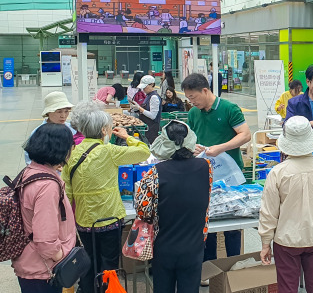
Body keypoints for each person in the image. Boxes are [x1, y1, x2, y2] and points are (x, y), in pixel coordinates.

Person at [63, 101, 150, 293]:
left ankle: (87, 289)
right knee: (109, 264)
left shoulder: (72, 154)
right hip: (110, 218)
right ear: (104, 130)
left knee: (87, 262)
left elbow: (66, 191)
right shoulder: (110, 151)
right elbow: (144, 151)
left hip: (84, 221)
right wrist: (128, 137)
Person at [259, 116, 313, 293]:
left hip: (287, 239)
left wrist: (266, 242)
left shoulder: (277, 173)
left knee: (287, 287)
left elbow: (269, 212)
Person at [181, 74, 251, 284]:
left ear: (205, 90)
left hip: (231, 177)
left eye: (193, 97)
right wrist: (195, 148)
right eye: (188, 98)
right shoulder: (193, 113)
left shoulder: (229, 109)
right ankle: (209, 271)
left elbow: (245, 135)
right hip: (205, 174)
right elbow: (190, 138)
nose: (191, 102)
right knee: (207, 224)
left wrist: (220, 148)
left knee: (232, 225)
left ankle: (232, 269)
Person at [135, 121, 212, 293]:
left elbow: (143, 210)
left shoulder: (155, 172)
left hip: (165, 246)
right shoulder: (206, 167)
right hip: (194, 246)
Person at [13, 124, 77, 293]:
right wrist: (61, 255)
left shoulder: (29, 172)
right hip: (43, 269)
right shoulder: (47, 186)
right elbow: (45, 239)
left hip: (30, 262)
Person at [25, 92, 83, 164]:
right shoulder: (38, 133)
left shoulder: (72, 129)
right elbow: (30, 160)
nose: (63, 115)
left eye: (66, 111)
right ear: (48, 112)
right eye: (59, 112)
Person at [130, 75, 162, 144]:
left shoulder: (154, 97)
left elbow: (153, 116)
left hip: (152, 129)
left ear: (152, 85)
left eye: (145, 87)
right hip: (146, 128)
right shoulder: (148, 96)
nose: (143, 89)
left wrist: (139, 108)